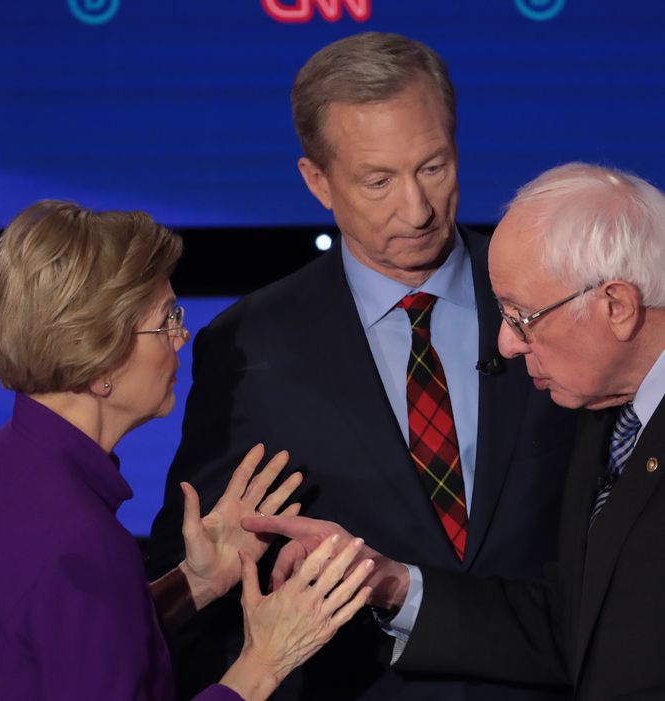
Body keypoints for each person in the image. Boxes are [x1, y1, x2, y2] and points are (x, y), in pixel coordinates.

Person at [148, 32, 576, 701]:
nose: (418, 208)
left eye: (434, 166)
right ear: (316, 181)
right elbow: (200, 576)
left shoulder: (557, 293)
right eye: (378, 180)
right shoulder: (250, 346)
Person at [244, 162, 665, 700]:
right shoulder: (604, 420)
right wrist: (386, 581)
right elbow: (573, 628)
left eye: (522, 317)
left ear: (617, 306)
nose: (507, 345)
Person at [0, 200, 373, 701]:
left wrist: (194, 583)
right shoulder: (80, 541)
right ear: (101, 359)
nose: (181, 337)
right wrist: (264, 662)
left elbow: (75, 649)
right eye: (166, 320)